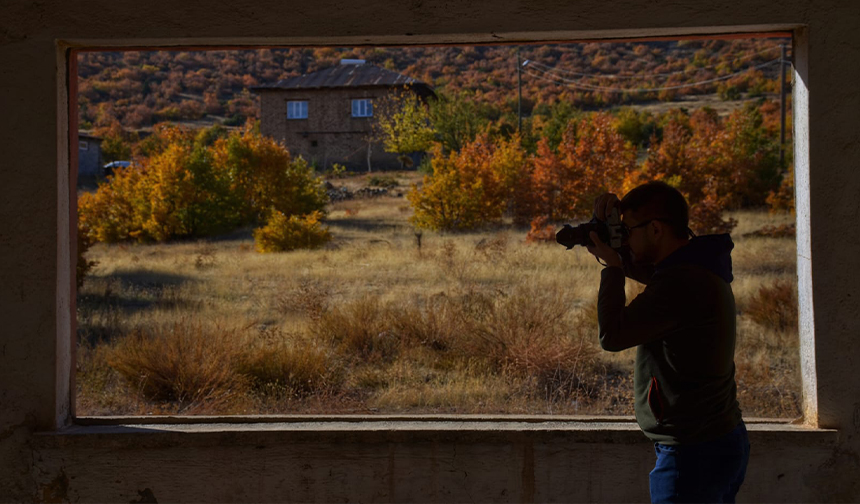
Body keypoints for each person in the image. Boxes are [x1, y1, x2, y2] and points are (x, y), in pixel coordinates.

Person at [585, 181, 749, 504]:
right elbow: (654, 272)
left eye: (629, 230)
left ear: (656, 229)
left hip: (691, 455)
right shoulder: (699, 266)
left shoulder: (681, 284)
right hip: (718, 439)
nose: (626, 238)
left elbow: (612, 334)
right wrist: (615, 245)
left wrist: (613, 268)